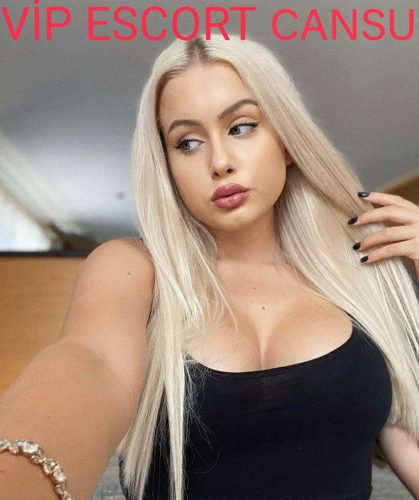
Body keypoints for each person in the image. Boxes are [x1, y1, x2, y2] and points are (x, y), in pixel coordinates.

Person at [1, 34, 418, 500]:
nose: (219, 162)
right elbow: (90, 363)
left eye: (241, 127)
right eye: (188, 142)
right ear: (167, 166)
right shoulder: (135, 270)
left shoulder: (368, 272)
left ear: (286, 140)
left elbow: (408, 437)